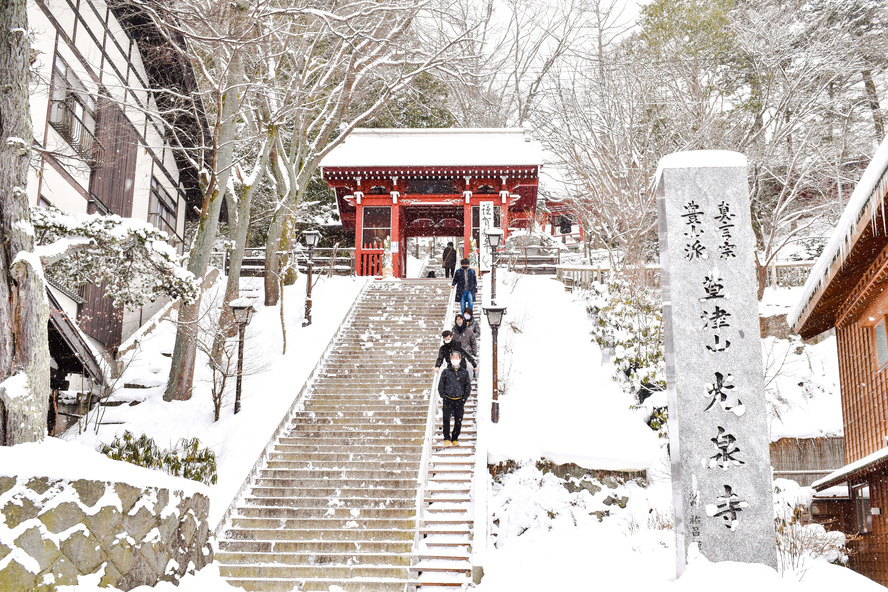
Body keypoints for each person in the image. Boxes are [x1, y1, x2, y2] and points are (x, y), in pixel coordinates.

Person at [437, 350, 472, 446]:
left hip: (459, 400)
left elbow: (467, 386)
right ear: (450, 359)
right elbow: (441, 385)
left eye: (457, 358)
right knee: (446, 419)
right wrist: (443, 396)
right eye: (453, 358)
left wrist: (464, 398)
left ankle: (455, 438)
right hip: (448, 399)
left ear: (460, 360)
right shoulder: (446, 372)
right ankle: (446, 439)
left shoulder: (464, 372)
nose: (455, 360)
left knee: (458, 420)